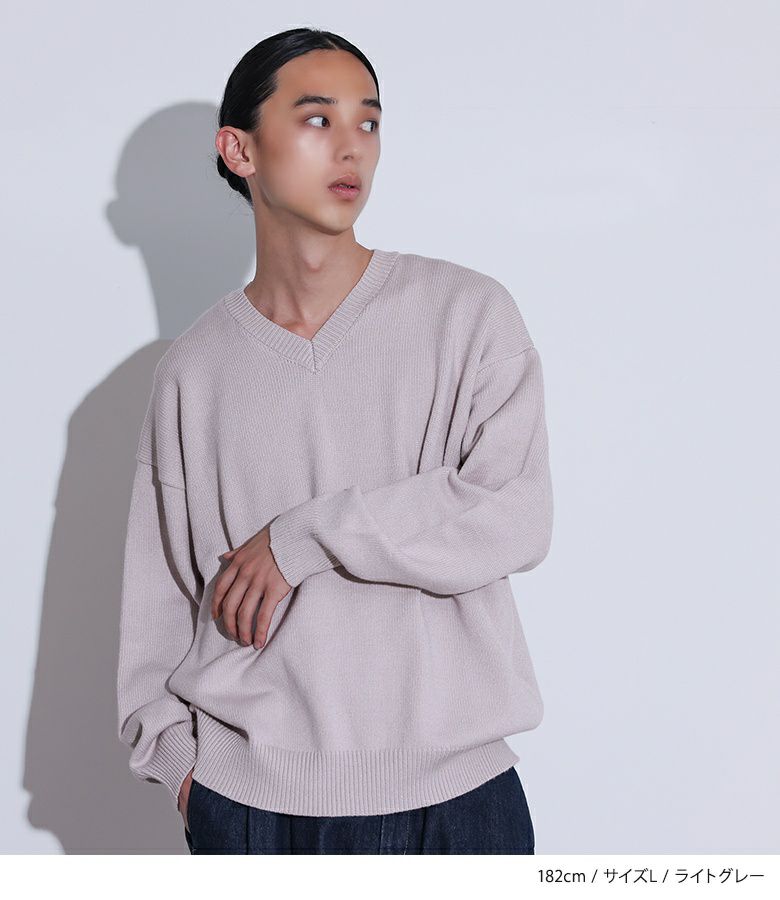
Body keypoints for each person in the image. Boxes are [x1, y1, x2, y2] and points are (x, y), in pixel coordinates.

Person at [116, 26, 553, 855]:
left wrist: (303, 538)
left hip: (456, 804)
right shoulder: (193, 373)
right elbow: (158, 600)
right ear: (239, 149)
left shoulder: (467, 315)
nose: (352, 146)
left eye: (369, 121)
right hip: (252, 810)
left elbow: (513, 513)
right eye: (317, 119)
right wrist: (181, 772)